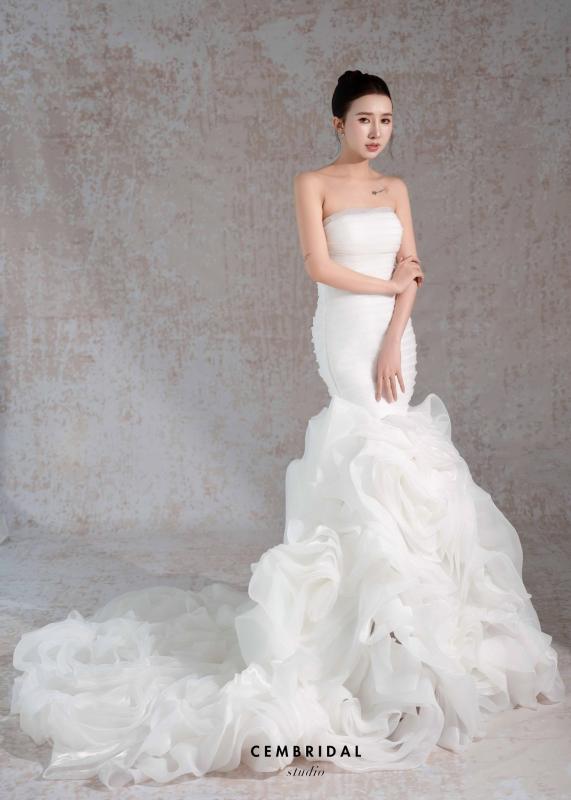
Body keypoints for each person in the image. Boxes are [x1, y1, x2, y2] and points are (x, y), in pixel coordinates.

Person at [10, 69, 565, 789]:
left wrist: (396, 332)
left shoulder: (396, 189)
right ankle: (355, 639)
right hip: (345, 330)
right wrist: (387, 294)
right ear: (337, 123)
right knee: (365, 451)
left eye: (386, 120)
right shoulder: (313, 183)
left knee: (402, 451)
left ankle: (401, 638)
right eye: (363, 119)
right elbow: (320, 266)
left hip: (391, 335)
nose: (375, 131)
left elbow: (414, 270)